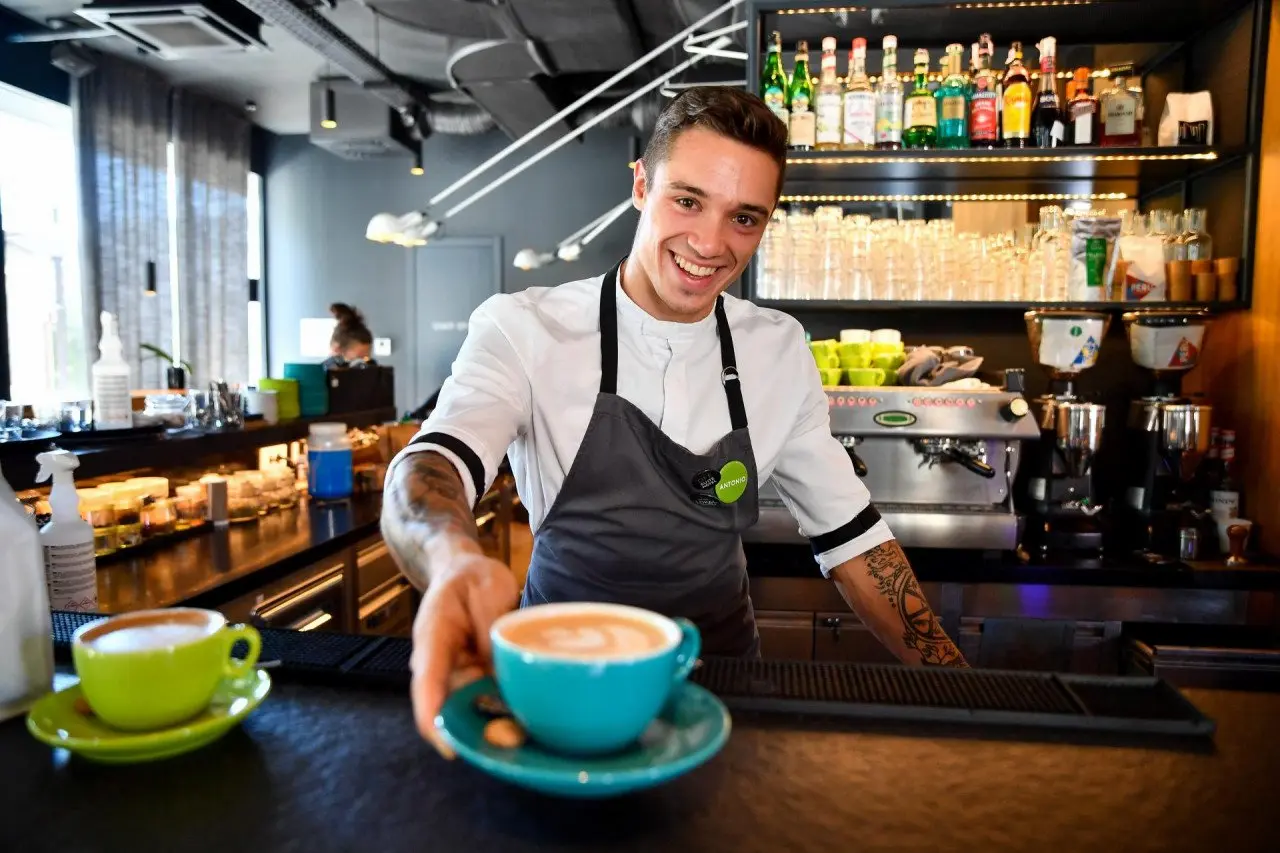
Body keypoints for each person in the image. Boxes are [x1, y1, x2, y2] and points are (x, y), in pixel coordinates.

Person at [381, 87, 967, 751]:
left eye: (745, 218)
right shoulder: (524, 327)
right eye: (687, 200)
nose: (711, 243)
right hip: (560, 687)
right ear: (640, 184)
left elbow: (853, 538)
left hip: (724, 691)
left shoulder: (777, 350)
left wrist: (961, 689)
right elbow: (434, 464)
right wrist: (454, 559)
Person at [322, 303, 376, 369]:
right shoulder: (316, 376)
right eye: (357, 360)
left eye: (366, 358)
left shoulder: (371, 369)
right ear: (337, 351)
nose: (363, 365)